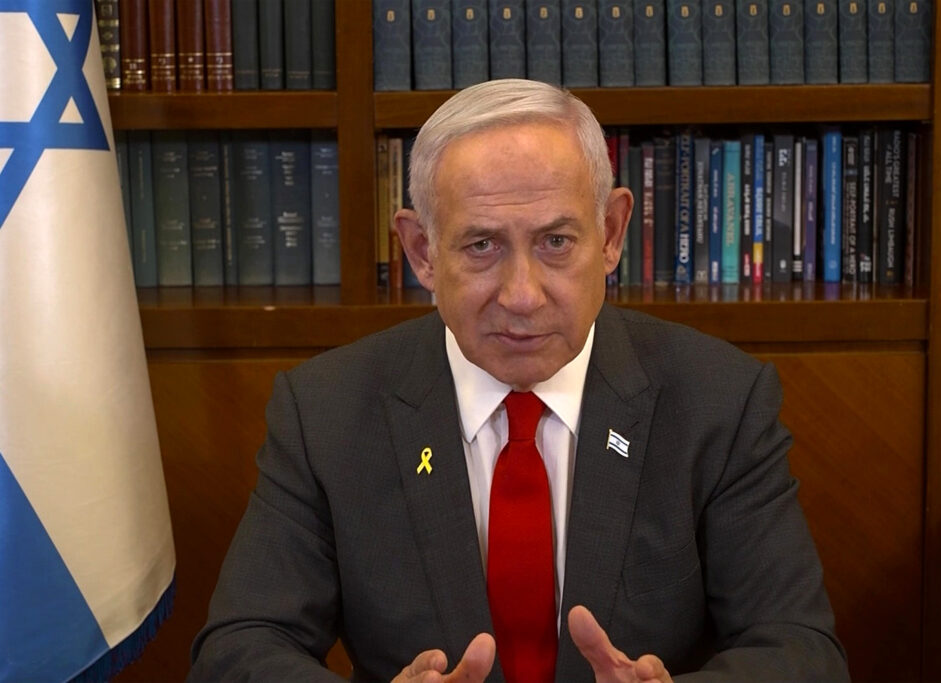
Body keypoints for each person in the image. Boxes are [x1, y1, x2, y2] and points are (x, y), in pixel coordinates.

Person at [189, 79, 848, 682]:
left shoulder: (720, 401)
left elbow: (801, 652)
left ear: (611, 233)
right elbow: (238, 650)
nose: (523, 296)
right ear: (421, 250)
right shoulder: (325, 411)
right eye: (482, 246)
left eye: (556, 242)